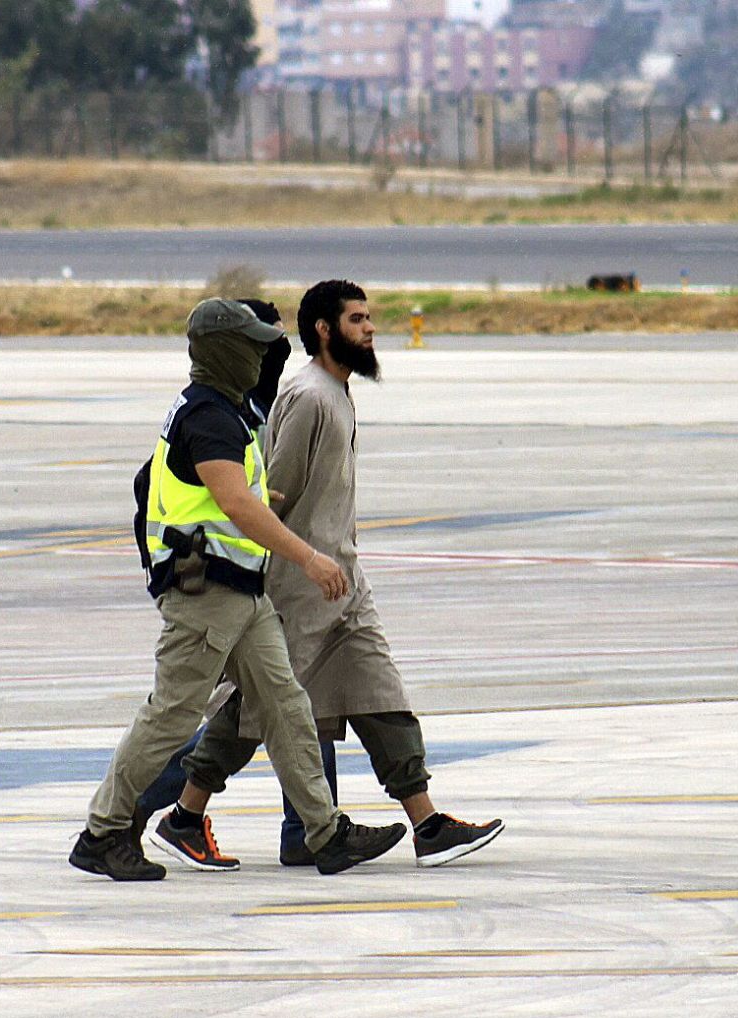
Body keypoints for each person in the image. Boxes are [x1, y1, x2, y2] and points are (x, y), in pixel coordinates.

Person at [145, 280, 504, 873]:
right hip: (299, 587)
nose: (370, 328)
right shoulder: (309, 397)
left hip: (345, 584)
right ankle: (184, 815)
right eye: (357, 319)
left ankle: (428, 825)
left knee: (380, 694)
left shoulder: (336, 393)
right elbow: (270, 496)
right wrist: (297, 564)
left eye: (369, 318)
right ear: (324, 329)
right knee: (252, 713)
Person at [70, 297, 407, 881]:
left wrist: (252, 501)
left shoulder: (220, 410)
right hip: (205, 595)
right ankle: (102, 832)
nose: (262, 357)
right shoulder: (209, 417)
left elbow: (197, 490)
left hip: (241, 593)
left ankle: (325, 834)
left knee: (287, 707)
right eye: (251, 346)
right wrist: (308, 557)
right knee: (172, 717)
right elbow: (234, 505)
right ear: (226, 351)